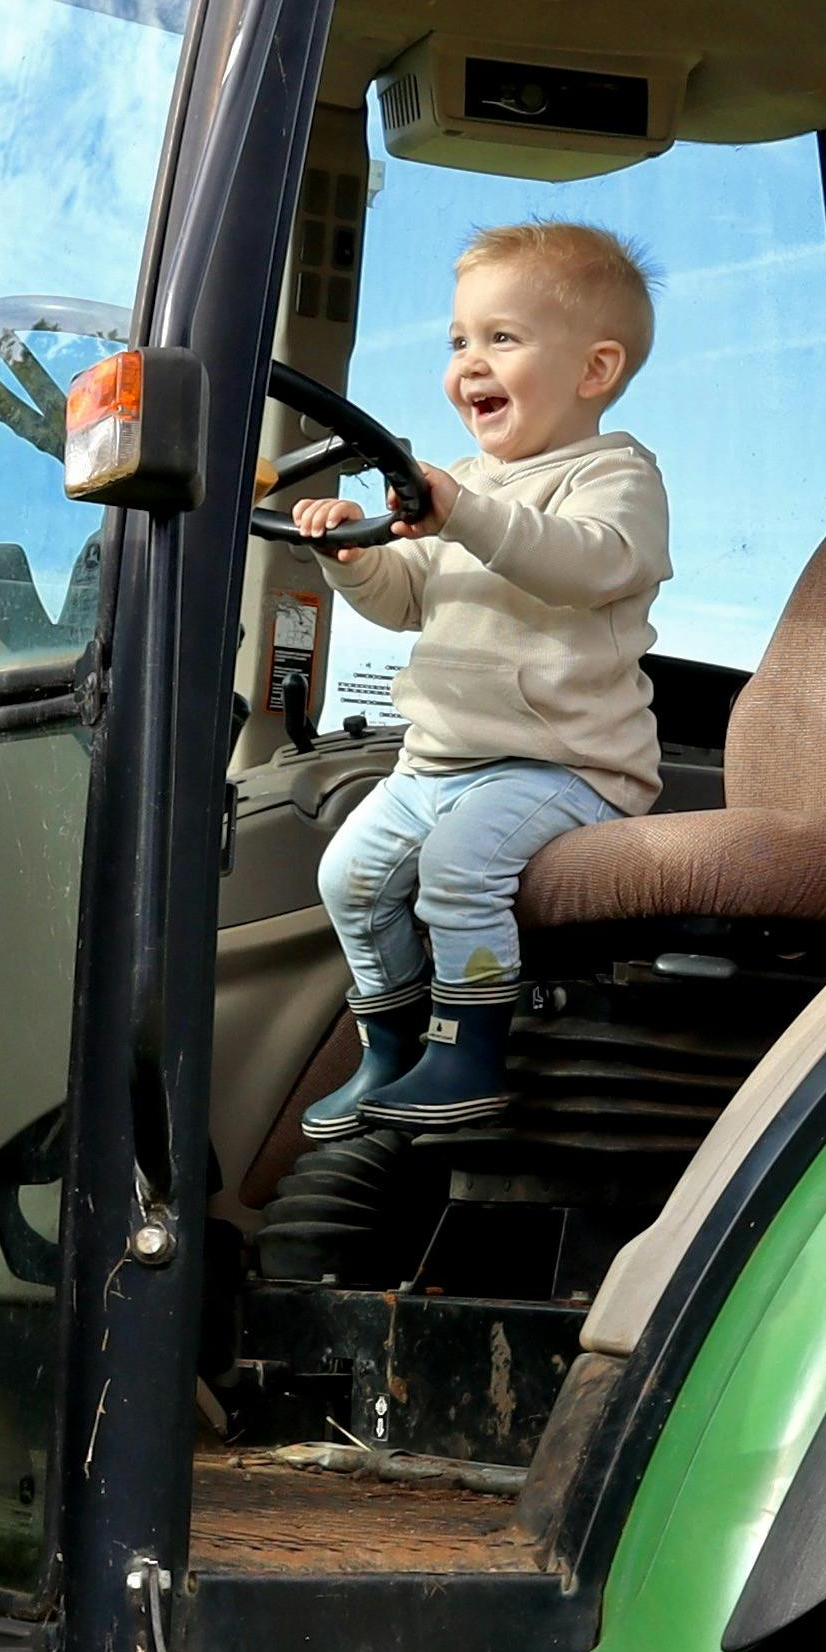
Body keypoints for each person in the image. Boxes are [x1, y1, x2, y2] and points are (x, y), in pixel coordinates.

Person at [292, 220, 671, 1138]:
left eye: (502, 337)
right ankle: (390, 1051)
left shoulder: (614, 476)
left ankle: (467, 1055)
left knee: (459, 869)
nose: (470, 363)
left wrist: (465, 513)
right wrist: (351, 557)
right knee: (349, 876)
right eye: (459, 340)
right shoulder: (463, 485)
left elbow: (584, 564)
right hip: (437, 763)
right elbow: (406, 600)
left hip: (563, 766)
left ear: (595, 369)